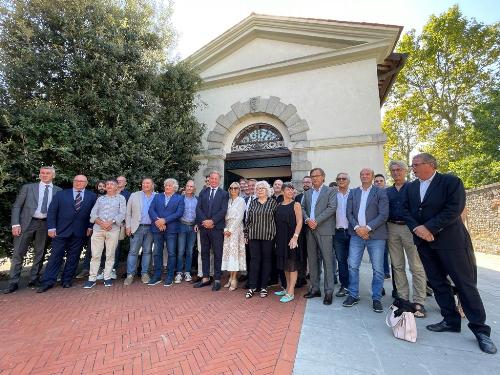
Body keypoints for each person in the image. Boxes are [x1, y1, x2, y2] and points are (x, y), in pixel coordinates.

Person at [402, 153, 496, 354]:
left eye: (416, 164)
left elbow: (454, 208)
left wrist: (429, 228)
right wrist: (417, 228)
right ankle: (450, 320)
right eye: (412, 165)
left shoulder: (450, 182)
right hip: (424, 244)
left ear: (431, 165)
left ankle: (480, 330)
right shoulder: (411, 187)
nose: (413, 168)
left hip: (451, 242)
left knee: (464, 284)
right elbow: (405, 210)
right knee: (437, 282)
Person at [4, 166, 62, 294]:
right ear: (39, 174)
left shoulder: (59, 191)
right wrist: (15, 224)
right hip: (26, 224)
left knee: (40, 253)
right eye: (42, 173)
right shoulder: (28, 188)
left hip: (46, 224)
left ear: (53, 175)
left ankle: (34, 279)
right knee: (18, 253)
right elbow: (17, 206)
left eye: (47, 173)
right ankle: (13, 282)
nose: (44, 175)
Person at [37, 175, 96, 292]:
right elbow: (52, 211)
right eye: (76, 181)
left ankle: (67, 280)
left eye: (81, 181)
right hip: (60, 231)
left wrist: (90, 227)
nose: (78, 183)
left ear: (86, 183)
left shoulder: (92, 196)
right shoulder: (61, 194)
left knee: (73, 257)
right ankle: (48, 281)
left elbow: (93, 213)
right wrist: (51, 228)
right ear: (73, 182)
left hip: (80, 231)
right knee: (55, 256)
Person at [343, 168, 388, 313]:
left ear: (372, 176)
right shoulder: (354, 192)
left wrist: (367, 228)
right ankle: (353, 294)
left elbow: (383, 214)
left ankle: (376, 298)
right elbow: (348, 213)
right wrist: (358, 228)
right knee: (353, 266)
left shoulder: (380, 192)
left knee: (378, 269)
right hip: (356, 235)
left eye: (367, 174)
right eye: (362, 174)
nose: (364, 176)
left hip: (376, 236)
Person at [386, 161, 427, 316]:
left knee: (416, 265)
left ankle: (419, 301)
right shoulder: (387, 191)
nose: (396, 172)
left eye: (398, 170)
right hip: (391, 227)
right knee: (397, 265)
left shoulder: (413, 188)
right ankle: (403, 298)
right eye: (393, 170)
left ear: (405, 171)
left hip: (410, 228)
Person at [301, 168, 337, 305]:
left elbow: (332, 207)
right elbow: (302, 208)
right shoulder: (308, 192)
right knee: (313, 261)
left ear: (323, 177)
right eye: (312, 176)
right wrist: (307, 220)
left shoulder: (331, 191)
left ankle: (328, 291)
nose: (314, 178)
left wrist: (316, 220)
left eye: (317, 176)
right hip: (310, 230)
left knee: (328, 261)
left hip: (324, 230)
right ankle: (315, 288)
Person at [84, 179, 126, 288]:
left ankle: (107, 277)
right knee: (95, 255)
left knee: (110, 254)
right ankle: (92, 278)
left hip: (113, 230)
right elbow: (93, 213)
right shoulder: (100, 199)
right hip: (98, 229)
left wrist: (110, 222)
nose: (109, 186)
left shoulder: (121, 198)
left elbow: (122, 213)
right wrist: (100, 223)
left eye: (112, 184)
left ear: (117, 187)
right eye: (107, 184)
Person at [193, 171, 229, 291]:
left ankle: (217, 279)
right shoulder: (203, 192)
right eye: (211, 178)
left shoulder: (224, 194)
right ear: (209, 180)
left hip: (216, 228)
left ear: (219, 180)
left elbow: (223, 210)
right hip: (204, 228)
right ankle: (206, 278)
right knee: (204, 253)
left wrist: (212, 221)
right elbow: (198, 208)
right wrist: (205, 221)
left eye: (215, 178)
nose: (213, 180)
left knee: (218, 254)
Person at [244, 180, 278, 298]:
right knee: (254, 261)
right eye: (258, 189)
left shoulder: (273, 203)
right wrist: (246, 235)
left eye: (262, 188)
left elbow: (276, 221)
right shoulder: (253, 203)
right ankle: (252, 286)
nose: (260, 190)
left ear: (267, 190)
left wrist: (275, 236)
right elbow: (248, 220)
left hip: (268, 237)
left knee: (266, 261)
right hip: (254, 236)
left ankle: (264, 286)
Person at [148, 178, 184, 286]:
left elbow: (179, 213)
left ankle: (169, 276)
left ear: (174, 188)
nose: (167, 187)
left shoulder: (179, 198)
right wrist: (158, 221)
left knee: (172, 253)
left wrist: (165, 220)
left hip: (171, 230)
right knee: (157, 253)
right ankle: (157, 276)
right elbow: (151, 210)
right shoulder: (157, 196)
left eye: (170, 185)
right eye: (166, 185)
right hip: (157, 228)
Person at [123, 178, 156, 286]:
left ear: (152, 185)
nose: (145, 185)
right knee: (133, 252)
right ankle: (130, 275)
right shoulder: (134, 195)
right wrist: (128, 226)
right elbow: (128, 212)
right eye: (143, 183)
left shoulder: (157, 196)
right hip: (136, 228)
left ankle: (145, 273)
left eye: (148, 183)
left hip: (151, 228)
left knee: (147, 251)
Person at [274, 182, 303, 303]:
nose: (291, 192)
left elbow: (300, 221)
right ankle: (287, 288)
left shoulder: (296, 204)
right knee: (285, 265)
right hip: (281, 238)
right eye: (288, 189)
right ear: (282, 191)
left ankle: (291, 292)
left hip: (292, 238)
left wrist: (295, 237)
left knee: (292, 265)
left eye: (292, 190)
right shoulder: (279, 205)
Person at [76, 181, 106, 279]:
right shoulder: (92, 197)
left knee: (104, 249)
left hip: (106, 226)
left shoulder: (109, 197)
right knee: (90, 248)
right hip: (92, 226)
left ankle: (100, 269)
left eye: (103, 186)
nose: (101, 188)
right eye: (99, 186)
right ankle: (86, 269)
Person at [221, 182, 246, 290]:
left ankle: (234, 279)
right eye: (231, 188)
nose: (233, 190)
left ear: (239, 190)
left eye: (236, 188)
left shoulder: (241, 201)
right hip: (227, 228)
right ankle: (230, 278)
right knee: (228, 254)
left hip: (236, 229)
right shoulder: (228, 201)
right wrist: (226, 229)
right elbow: (224, 215)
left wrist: (231, 230)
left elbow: (240, 217)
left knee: (234, 254)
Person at [176, 180, 197, 283]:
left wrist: (197, 223)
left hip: (193, 227)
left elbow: (199, 213)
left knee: (190, 251)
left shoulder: (197, 200)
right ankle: (179, 272)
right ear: (185, 187)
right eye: (188, 186)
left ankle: (187, 272)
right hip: (182, 226)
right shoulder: (180, 199)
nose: (189, 188)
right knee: (180, 251)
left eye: (191, 186)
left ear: (194, 188)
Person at [333, 172, 351, 297]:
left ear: (348, 181)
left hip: (353, 232)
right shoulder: (332, 195)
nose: (341, 180)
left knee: (353, 262)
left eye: (343, 178)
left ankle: (353, 286)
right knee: (341, 261)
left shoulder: (354, 193)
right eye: (338, 178)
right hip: (337, 233)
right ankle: (344, 286)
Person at [294, 175, 312, 288]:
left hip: (313, 229)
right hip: (301, 231)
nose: (306, 184)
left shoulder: (315, 195)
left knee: (313, 255)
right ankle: (301, 277)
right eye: (304, 182)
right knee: (301, 254)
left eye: (308, 182)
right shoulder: (298, 197)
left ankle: (314, 276)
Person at [112, 175, 131, 279]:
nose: (118, 182)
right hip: (111, 224)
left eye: (121, 181)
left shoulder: (128, 194)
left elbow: (129, 210)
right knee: (114, 247)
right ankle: (112, 269)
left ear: (125, 183)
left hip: (124, 225)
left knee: (128, 248)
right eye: (117, 180)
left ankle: (129, 271)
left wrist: (126, 223)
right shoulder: (111, 193)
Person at [374, 173, 391, 279]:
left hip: (391, 225)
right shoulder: (372, 194)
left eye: (381, 181)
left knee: (391, 252)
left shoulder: (389, 193)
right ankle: (385, 272)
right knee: (382, 251)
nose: (379, 182)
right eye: (376, 181)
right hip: (378, 226)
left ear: (384, 182)